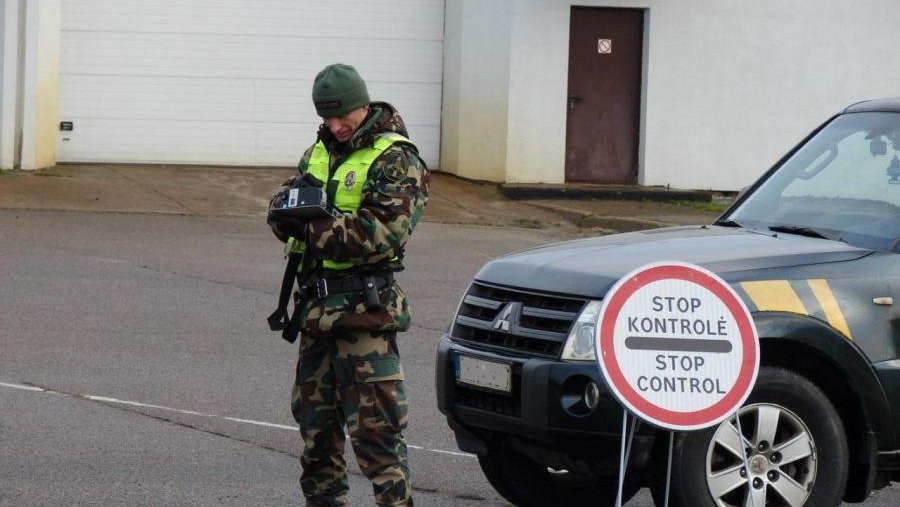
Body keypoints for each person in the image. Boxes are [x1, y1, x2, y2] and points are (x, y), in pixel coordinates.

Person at [271, 63, 428, 507]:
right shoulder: (320, 150)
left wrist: (308, 227)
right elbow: (284, 201)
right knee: (316, 437)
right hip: (317, 314)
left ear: (364, 105)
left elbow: (383, 233)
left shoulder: (396, 158)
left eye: (343, 117)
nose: (335, 126)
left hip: (365, 314)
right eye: (326, 118)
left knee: (377, 437)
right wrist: (285, 216)